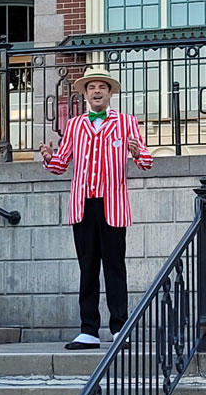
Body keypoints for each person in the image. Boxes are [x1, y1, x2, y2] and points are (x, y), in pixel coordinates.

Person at [40, 68, 153, 350]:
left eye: (102, 86)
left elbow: (147, 161)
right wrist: (48, 157)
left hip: (113, 205)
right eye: (92, 87)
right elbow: (60, 165)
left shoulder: (126, 122)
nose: (97, 91)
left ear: (110, 92)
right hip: (82, 206)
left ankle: (120, 329)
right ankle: (88, 330)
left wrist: (137, 152)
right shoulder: (75, 125)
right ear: (86, 93)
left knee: (115, 267)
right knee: (87, 268)